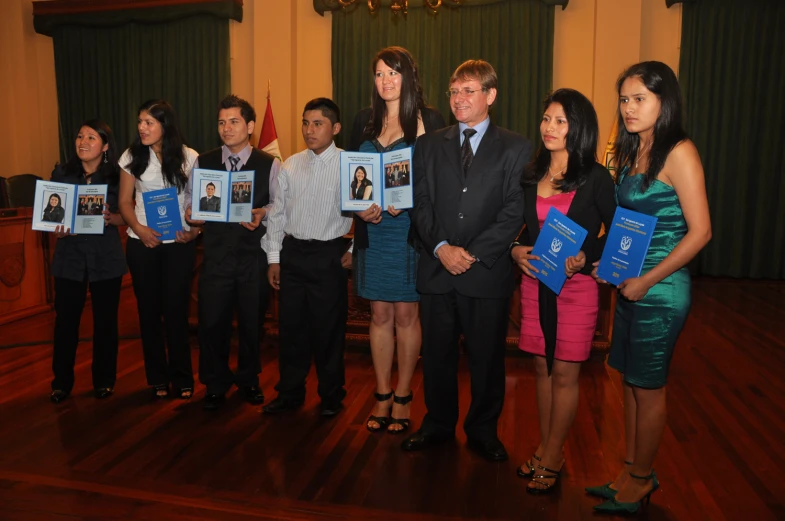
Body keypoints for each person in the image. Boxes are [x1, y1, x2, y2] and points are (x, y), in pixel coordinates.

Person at [586, 61, 711, 514]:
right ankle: (630, 471)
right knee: (630, 382)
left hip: (661, 288)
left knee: (649, 385)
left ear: (665, 101)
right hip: (632, 283)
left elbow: (701, 232)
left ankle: (641, 479)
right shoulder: (634, 148)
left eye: (640, 99)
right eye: (624, 99)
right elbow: (628, 223)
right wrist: (612, 265)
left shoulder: (679, 151)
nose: (629, 108)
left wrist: (645, 280)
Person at [403, 59, 532, 460]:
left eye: (468, 91)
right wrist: (441, 248)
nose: (458, 99)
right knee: (437, 357)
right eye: (454, 92)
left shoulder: (517, 147)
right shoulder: (427, 145)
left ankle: (482, 431)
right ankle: (438, 425)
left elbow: (514, 210)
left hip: (485, 272)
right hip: (437, 269)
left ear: (490, 96)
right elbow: (419, 203)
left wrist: (472, 253)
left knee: (486, 359)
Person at [511, 89, 616, 493]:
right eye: (546, 119)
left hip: (576, 289)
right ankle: (545, 446)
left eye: (560, 121)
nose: (550, 128)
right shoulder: (530, 173)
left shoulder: (595, 177)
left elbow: (617, 234)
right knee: (540, 367)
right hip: (535, 282)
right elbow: (518, 229)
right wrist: (515, 250)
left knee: (565, 374)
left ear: (579, 128)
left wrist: (586, 257)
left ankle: (553, 455)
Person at [348, 46, 446, 433]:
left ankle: (404, 395)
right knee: (378, 314)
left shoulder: (430, 119)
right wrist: (358, 208)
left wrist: (406, 206)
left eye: (394, 73)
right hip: (372, 232)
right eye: (379, 74)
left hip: (410, 232)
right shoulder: (363, 121)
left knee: (406, 315)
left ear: (409, 77)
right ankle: (382, 394)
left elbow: (438, 180)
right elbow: (352, 178)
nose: (386, 81)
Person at [184, 94, 280, 410]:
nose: (226, 128)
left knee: (252, 323)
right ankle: (215, 382)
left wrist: (262, 213)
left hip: (253, 257)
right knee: (211, 323)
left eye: (234, 121)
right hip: (215, 257)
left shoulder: (270, 164)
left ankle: (249, 380)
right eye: (222, 122)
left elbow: (281, 206)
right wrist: (191, 214)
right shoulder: (204, 161)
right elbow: (189, 202)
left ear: (250, 126)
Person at [261, 98, 353, 416]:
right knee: (291, 329)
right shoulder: (290, 165)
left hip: (329, 255)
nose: (309, 130)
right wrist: (274, 258)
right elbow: (277, 215)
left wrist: (353, 250)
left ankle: (330, 396)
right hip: (294, 253)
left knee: (328, 332)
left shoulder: (349, 164)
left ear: (335, 128)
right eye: (305, 123)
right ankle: (290, 392)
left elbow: (369, 214)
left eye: (318, 124)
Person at [118, 99, 201, 400]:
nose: (142, 127)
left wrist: (194, 232)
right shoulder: (131, 156)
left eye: (149, 122)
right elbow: (124, 202)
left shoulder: (189, 156)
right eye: (140, 121)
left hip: (178, 245)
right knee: (148, 313)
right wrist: (140, 230)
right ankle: (157, 378)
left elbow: (200, 204)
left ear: (165, 125)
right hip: (143, 245)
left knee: (177, 312)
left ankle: (183, 377)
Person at [49, 119, 128, 403]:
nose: (83, 142)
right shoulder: (61, 174)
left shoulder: (118, 177)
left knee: (105, 323)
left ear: (105, 146)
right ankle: (61, 382)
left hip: (105, 257)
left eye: (91, 138)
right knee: (65, 323)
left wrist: (112, 217)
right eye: (80, 136)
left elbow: (126, 216)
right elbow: (50, 214)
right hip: (69, 258)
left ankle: (104, 381)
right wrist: (56, 226)